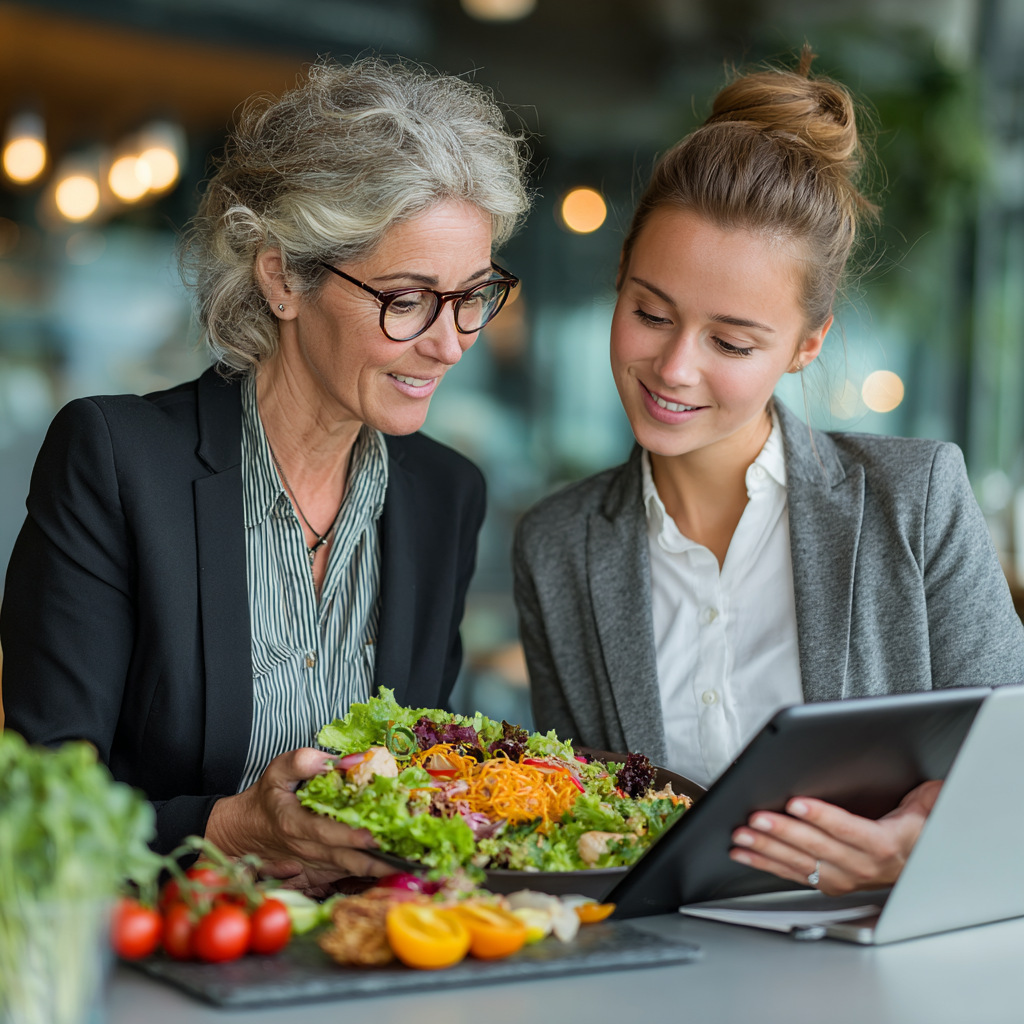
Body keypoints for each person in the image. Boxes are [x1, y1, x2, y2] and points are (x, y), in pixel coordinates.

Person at [2, 59, 529, 892]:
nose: (452, 341)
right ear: (283, 276)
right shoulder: (114, 459)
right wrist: (223, 828)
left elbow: (421, 782)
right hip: (165, 958)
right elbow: (34, 811)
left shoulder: (443, 496)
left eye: (471, 296)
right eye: (407, 299)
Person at [513, 49, 1024, 897]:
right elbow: (578, 829)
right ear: (618, 281)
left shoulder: (915, 499)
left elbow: (1013, 756)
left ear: (806, 345)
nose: (674, 367)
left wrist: (915, 841)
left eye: (732, 342)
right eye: (649, 312)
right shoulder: (557, 547)